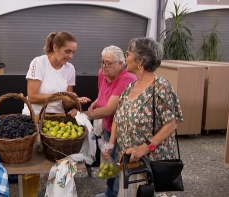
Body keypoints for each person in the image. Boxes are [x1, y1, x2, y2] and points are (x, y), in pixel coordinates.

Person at [106, 37, 183, 196]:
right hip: (129, 162)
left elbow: (171, 124)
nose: (125, 58)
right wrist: (111, 144)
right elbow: (118, 118)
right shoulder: (129, 88)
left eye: (128, 54)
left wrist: (145, 147)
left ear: (140, 60)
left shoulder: (160, 86)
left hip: (150, 163)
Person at [21, 31, 90, 197]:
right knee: (32, 167)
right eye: (68, 51)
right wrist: (60, 95)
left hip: (57, 121)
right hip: (34, 118)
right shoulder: (39, 63)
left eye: (73, 52)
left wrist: (75, 100)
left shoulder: (69, 69)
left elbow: (66, 102)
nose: (71, 56)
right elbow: (33, 97)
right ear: (55, 47)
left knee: (61, 165)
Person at [68, 45, 136, 197]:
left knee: (119, 163)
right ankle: (109, 192)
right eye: (102, 62)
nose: (104, 67)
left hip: (122, 129)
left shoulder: (127, 79)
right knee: (109, 161)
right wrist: (98, 101)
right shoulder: (102, 73)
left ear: (121, 63)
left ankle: (117, 194)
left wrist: (83, 114)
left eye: (108, 63)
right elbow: (105, 93)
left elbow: (110, 109)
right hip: (107, 125)